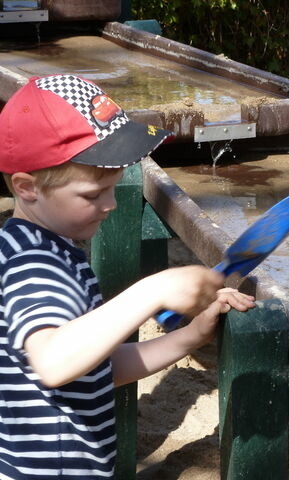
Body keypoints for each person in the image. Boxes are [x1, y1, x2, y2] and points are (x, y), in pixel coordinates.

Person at [0, 74, 255, 479]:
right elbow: (53, 361)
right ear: (27, 187)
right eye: (91, 194)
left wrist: (189, 337)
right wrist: (154, 290)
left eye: (114, 188)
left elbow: (95, 370)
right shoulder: (36, 263)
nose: (110, 205)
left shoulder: (32, 245)